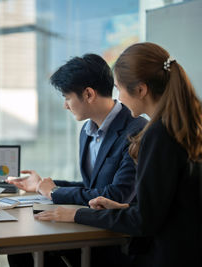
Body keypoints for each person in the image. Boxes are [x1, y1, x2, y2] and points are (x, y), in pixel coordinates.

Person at [35, 42, 202, 266]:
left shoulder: (157, 134)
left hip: (166, 256)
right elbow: (172, 205)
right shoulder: (183, 127)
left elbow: (144, 222)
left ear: (141, 90)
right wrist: (124, 207)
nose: (119, 98)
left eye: (119, 88)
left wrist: (76, 214)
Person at [8, 54, 147, 206]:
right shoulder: (87, 132)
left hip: (122, 227)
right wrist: (42, 185)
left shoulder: (137, 131)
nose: (65, 105)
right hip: (95, 221)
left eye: (67, 98)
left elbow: (117, 195)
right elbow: (92, 188)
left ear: (88, 94)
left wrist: (54, 192)